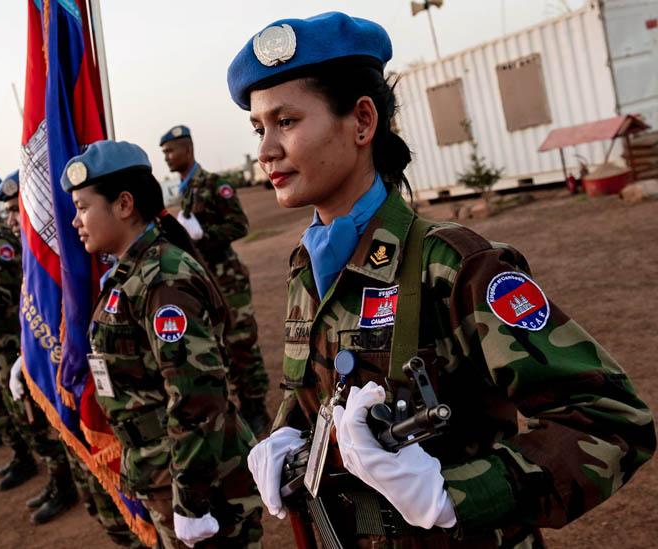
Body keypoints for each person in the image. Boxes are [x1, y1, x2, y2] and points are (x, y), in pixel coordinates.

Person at [227, 11, 656, 547]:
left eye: (286, 122)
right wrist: (288, 432)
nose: (266, 149)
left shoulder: (455, 266)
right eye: (259, 128)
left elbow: (612, 422)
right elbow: (317, 392)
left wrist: (452, 493)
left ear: (362, 122)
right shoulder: (307, 268)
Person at [65, 140, 263, 548]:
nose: (75, 221)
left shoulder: (161, 277)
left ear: (123, 204)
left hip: (200, 478)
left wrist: (190, 498)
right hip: (161, 468)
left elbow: (196, 396)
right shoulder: (131, 272)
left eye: (83, 207)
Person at [0, 168, 77, 523]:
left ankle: (64, 482)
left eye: (16, 209)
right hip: (16, 343)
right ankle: (59, 479)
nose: (10, 218)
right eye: (8, 211)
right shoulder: (22, 248)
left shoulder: (38, 250)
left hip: (27, 343)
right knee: (32, 418)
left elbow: (8, 294)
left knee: (49, 420)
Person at [160, 125, 271, 436]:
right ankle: (239, 407)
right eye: (164, 153)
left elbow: (239, 225)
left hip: (227, 279)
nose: (166, 157)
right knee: (219, 345)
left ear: (188, 149)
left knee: (241, 344)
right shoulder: (183, 189)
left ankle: (256, 407)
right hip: (203, 280)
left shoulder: (213, 184)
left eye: (170, 151)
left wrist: (203, 237)